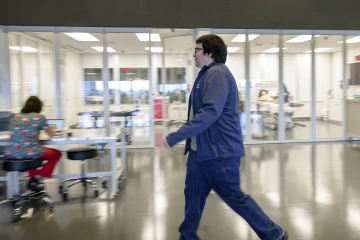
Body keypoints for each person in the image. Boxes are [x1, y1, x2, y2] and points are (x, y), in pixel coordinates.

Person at [162, 34, 288, 240]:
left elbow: (210, 113)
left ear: (209, 53)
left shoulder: (218, 74)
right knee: (193, 198)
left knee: (234, 197)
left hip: (220, 153)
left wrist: (175, 136)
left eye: (197, 49)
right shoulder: (205, 74)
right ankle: (187, 236)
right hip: (199, 153)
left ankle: (274, 233)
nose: (194, 54)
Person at [4, 96, 61, 191]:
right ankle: (37, 177)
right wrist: (53, 130)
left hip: (11, 153)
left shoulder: (15, 117)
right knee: (56, 154)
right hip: (29, 152)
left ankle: (33, 183)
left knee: (31, 155)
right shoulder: (39, 117)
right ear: (39, 107)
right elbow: (51, 134)